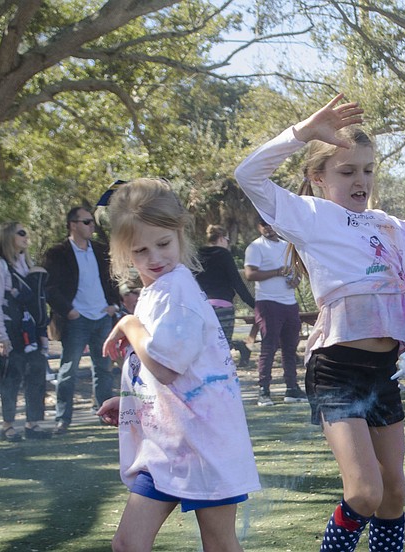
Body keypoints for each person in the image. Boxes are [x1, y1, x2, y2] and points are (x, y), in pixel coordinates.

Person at [234, 94, 405, 551]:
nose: (361, 180)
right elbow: (248, 175)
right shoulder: (310, 217)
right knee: (364, 493)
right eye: (347, 171)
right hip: (336, 369)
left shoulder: (388, 225)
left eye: (367, 169)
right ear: (317, 178)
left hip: (385, 372)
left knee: (393, 494)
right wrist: (301, 132)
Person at [97, 178, 260, 552]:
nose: (154, 258)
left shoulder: (179, 292)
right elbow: (173, 372)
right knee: (128, 544)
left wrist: (128, 324)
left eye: (163, 244)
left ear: (180, 233)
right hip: (171, 443)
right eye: (140, 250)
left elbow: (167, 367)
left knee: (218, 544)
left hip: (202, 444)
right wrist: (133, 402)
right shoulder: (158, 292)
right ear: (124, 253)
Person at [43, 206, 120, 435]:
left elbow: (113, 279)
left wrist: (114, 305)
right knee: (68, 370)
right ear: (73, 224)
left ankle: (106, 415)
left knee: (104, 369)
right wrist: (68, 311)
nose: (91, 226)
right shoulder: (58, 253)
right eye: (86, 222)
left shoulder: (100, 250)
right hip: (77, 318)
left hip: (102, 316)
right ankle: (62, 419)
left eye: (92, 222)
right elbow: (50, 287)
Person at [0, 222, 51, 441]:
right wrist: (2, 336)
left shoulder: (26, 264)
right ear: (9, 236)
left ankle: (33, 422)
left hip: (31, 328)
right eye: (21, 233)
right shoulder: (2, 266)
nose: (25, 237)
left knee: (36, 372)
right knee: (12, 376)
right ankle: (8, 424)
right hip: (12, 328)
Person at [243, 217, 303, 406]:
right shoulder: (255, 247)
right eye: (262, 224)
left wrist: (296, 280)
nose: (267, 228)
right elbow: (250, 274)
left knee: (290, 347)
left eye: (269, 223)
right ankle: (264, 390)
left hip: (289, 302)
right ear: (258, 227)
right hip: (268, 302)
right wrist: (276, 272)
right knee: (269, 347)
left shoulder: (287, 245)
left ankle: (292, 388)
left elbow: (297, 270)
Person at [196, 224, 255, 368]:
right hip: (223, 305)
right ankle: (236, 352)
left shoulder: (197, 255)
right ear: (222, 238)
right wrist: (254, 304)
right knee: (223, 344)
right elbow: (237, 282)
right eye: (228, 240)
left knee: (206, 343)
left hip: (202, 306)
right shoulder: (224, 255)